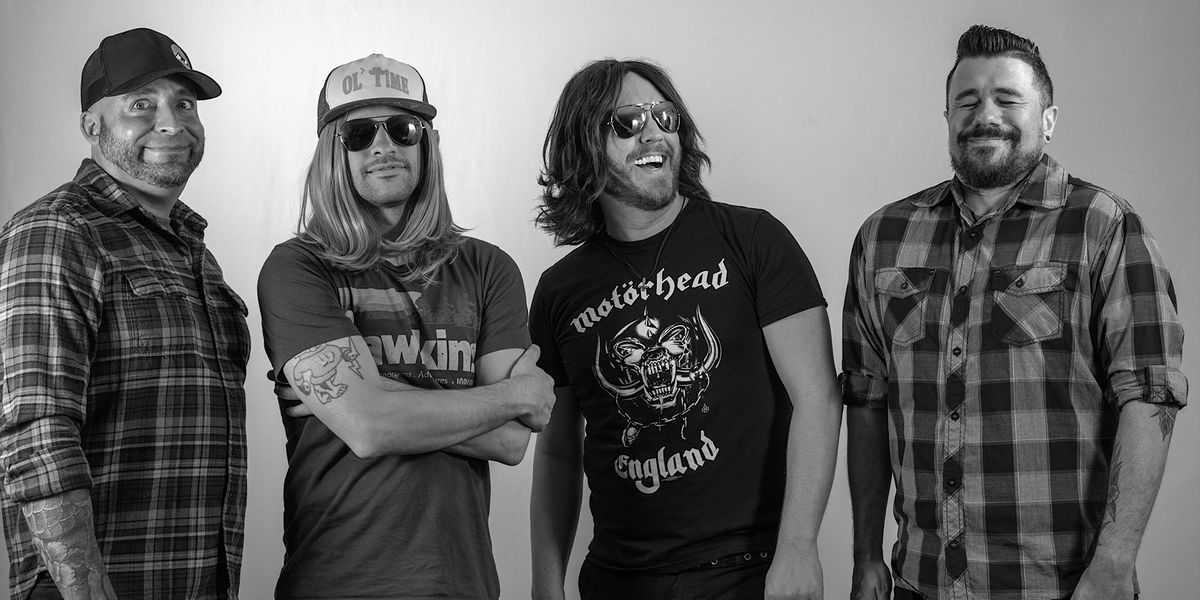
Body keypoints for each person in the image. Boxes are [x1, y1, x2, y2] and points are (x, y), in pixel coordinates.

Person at [843, 24, 1187, 600]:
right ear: (947, 117)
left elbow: (1150, 397)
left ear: (1048, 119)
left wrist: (1114, 563)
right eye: (968, 101)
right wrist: (864, 555)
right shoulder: (884, 236)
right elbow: (867, 399)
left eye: (1008, 99)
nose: (985, 115)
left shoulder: (1103, 226)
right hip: (920, 582)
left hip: (1063, 587)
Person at [528, 59, 843, 600]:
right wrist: (544, 584)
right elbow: (557, 451)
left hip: (749, 572)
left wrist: (799, 547)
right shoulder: (559, 291)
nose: (653, 132)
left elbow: (817, 396)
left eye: (665, 116)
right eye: (627, 121)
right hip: (618, 581)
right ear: (584, 144)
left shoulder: (753, 239)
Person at [257, 53, 554, 599]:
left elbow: (512, 439)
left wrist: (365, 394)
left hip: (461, 582)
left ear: (427, 144)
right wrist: (510, 395)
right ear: (332, 153)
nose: (382, 146)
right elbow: (370, 428)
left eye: (402, 128)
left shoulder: (488, 268)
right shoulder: (298, 267)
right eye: (358, 133)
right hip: (336, 581)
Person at [0, 28, 249, 600]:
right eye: (141, 104)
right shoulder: (58, 230)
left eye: (184, 104)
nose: (172, 123)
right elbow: (36, 432)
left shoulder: (191, 250)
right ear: (92, 126)